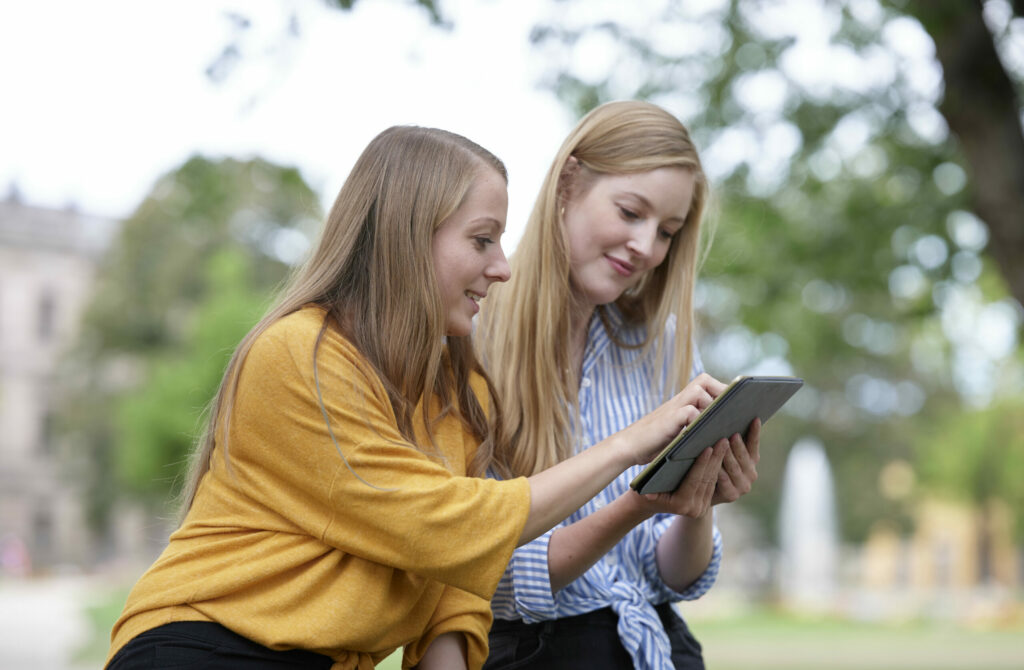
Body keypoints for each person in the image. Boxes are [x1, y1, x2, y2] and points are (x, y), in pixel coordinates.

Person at [104, 125, 727, 670]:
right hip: (208, 644)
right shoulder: (301, 354)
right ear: (405, 234)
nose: (503, 267)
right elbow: (445, 526)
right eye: (482, 240)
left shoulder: (461, 395)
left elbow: (451, 593)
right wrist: (630, 447)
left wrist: (690, 495)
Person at [475, 101, 762, 670]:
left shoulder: (661, 345)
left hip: (658, 644)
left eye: (667, 232)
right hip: (534, 652)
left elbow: (674, 576)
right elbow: (486, 576)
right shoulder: (472, 337)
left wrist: (696, 502)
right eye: (631, 212)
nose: (647, 247)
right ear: (568, 182)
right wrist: (635, 505)